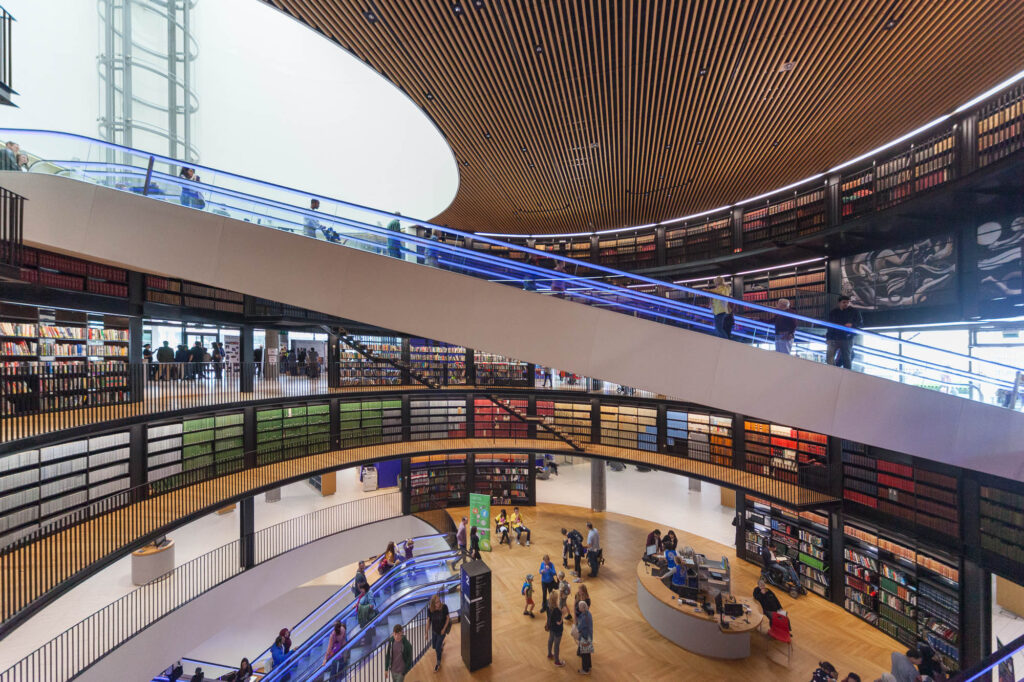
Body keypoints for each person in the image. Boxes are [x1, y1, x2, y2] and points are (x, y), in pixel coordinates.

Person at [826, 295, 863, 369]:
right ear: (839, 303)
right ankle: (832, 371)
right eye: (844, 302)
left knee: (846, 358)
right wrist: (828, 338)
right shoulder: (833, 312)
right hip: (834, 338)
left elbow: (860, 323)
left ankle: (847, 374)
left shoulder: (854, 311)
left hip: (846, 338)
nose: (846, 304)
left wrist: (852, 324)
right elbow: (829, 326)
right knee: (829, 357)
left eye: (848, 302)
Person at [427, 592, 451, 672]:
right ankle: (440, 646)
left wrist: (444, 629)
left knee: (437, 648)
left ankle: (438, 663)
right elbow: (428, 620)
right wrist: (426, 632)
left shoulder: (444, 607)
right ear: (433, 604)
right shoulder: (430, 610)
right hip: (434, 631)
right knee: (434, 647)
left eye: (439, 601)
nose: (438, 603)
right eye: (436, 602)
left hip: (442, 632)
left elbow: (448, 618)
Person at [709, 276, 734, 340]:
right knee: (718, 329)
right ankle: (723, 341)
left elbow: (718, 292)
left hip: (720, 311)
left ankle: (726, 342)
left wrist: (707, 290)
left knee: (719, 329)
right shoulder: (724, 288)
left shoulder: (722, 289)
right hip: (719, 311)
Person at [545, 591, 566, 667]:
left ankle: (549, 654)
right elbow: (559, 622)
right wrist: (563, 613)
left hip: (551, 626)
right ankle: (557, 661)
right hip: (557, 629)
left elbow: (549, 615)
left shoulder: (548, 603)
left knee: (550, 639)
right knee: (556, 645)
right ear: (555, 599)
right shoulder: (556, 610)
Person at [575, 599, 594, 675]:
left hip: (585, 637)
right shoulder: (588, 613)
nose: (578, 609)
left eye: (579, 607)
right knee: (587, 652)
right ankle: (589, 666)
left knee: (584, 654)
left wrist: (575, 630)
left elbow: (580, 628)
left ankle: (585, 670)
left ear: (583, 608)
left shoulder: (584, 617)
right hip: (589, 636)